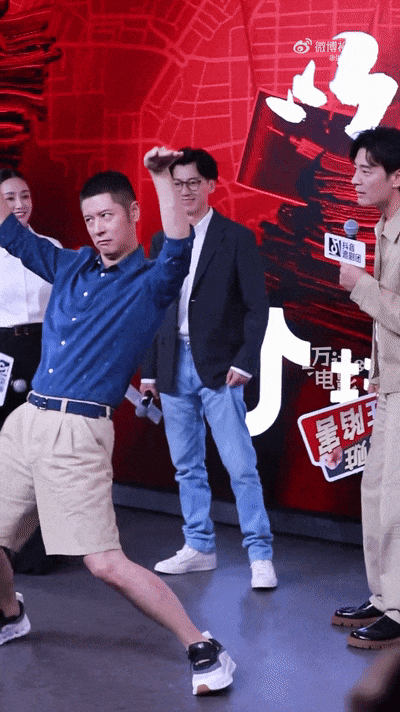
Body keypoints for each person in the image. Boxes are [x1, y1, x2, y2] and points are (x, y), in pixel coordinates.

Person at [0, 146, 236, 696]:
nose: (99, 228)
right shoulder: (69, 264)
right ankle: (10, 614)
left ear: (132, 213)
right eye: (90, 219)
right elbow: (12, 234)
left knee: (104, 563)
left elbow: (178, 245)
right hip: (26, 423)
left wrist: (160, 178)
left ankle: (203, 646)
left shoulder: (150, 282)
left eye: (107, 215)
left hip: (78, 432)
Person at [140, 147, 276, 589]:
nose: (184, 192)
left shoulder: (235, 238)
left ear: (211, 185)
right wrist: (149, 372)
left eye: (193, 183)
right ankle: (199, 546)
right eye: (176, 184)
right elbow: (154, 307)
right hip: (171, 363)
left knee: (240, 467)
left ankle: (260, 554)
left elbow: (257, 308)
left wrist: (245, 361)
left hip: (219, 366)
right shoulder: (161, 240)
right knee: (187, 467)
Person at [332, 126, 400, 650]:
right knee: (375, 492)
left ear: (397, 177)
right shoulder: (381, 228)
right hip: (389, 382)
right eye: (354, 169)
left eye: (366, 170)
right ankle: (383, 596)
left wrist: (362, 286)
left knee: (395, 501)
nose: (355, 179)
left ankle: (398, 606)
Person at [0, 169, 61, 425]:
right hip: (4, 352)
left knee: (45, 428)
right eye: (9, 198)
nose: (20, 204)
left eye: (25, 196)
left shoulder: (52, 248)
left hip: (46, 350)